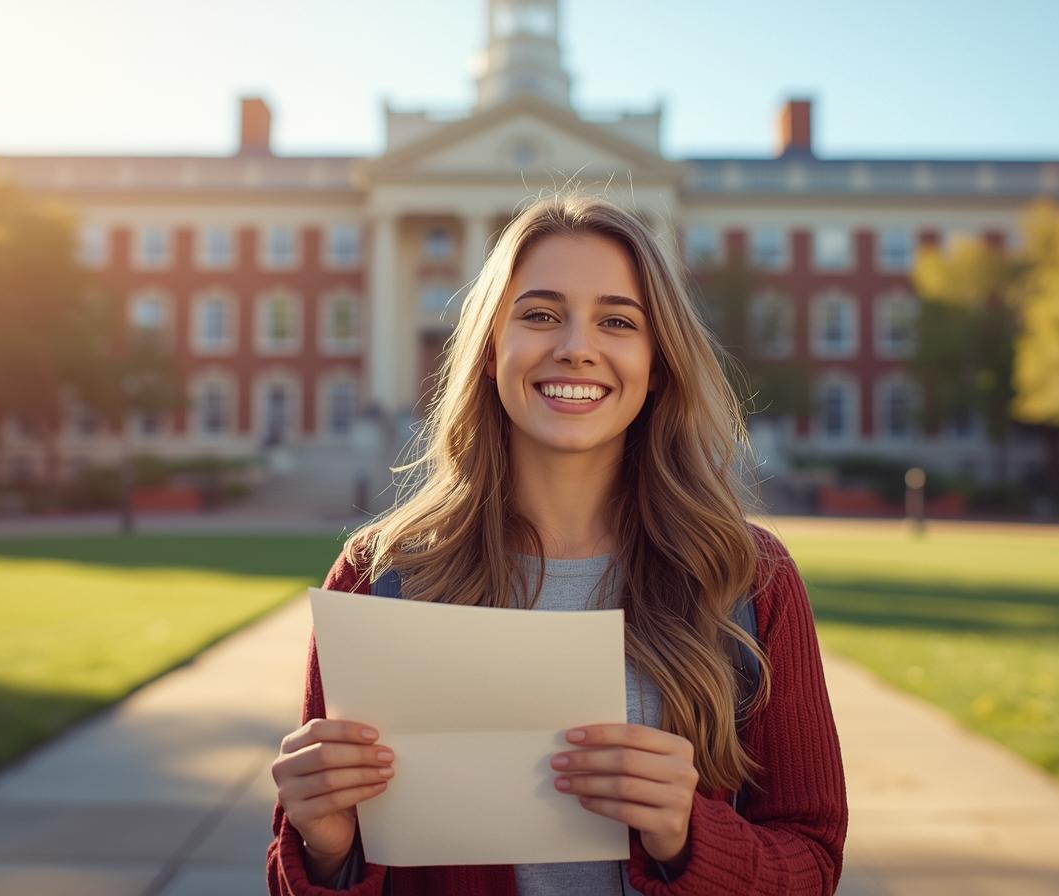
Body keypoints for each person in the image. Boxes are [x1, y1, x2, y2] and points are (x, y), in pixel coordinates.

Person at [268, 194, 847, 895]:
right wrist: (326, 854)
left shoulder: (748, 579)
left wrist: (691, 837)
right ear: (489, 351)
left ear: (658, 362)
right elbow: (302, 871)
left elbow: (813, 862)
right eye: (540, 314)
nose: (576, 345)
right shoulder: (379, 575)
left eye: (617, 321)